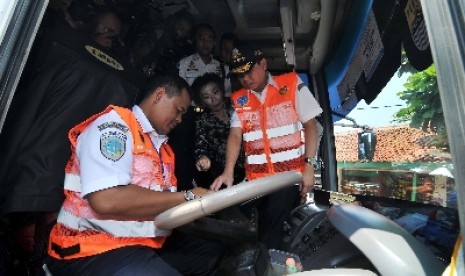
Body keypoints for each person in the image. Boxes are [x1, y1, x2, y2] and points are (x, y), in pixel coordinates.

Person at [45, 74, 224, 275]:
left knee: (210, 252)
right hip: (91, 246)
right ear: (160, 95)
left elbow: (158, 203)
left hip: (141, 242)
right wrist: (187, 196)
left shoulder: (160, 148)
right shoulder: (114, 128)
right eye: (178, 110)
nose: (180, 119)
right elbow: (106, 200)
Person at [211, 44, 323, 250]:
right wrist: (228, 172)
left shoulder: (290, 83)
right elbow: (235, 135)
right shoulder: (240, 99)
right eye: (239, 75)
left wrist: (310, 166)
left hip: (287, 176)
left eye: (249, 71)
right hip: (256, 181)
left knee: (273, 219)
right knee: (231, 218)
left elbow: (311, 126)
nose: (245, 79)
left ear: (263, 64)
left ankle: (268, 263)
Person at [191, 73, 245, 188]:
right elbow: (200, 145)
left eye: (215, 92)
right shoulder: (202, 120)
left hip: (250, 165)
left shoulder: (237, 105)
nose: (213, 99)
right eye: (206, 97)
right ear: (201, 101)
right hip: (222, 173)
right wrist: (202, 158)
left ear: (222, 91)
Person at [178, 23, 231, 95]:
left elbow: (227, 95)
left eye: (209, 39)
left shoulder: (223, 69)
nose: (205, 43)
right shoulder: (183, 64)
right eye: (201, 39)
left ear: (214, 42)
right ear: (195, 40)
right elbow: (180, 94)